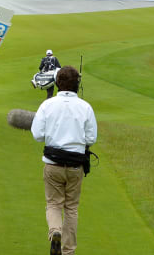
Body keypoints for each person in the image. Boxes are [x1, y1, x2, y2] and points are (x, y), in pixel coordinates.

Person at [31, 66, 97, 255]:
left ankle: (55, 232)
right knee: (71, 208)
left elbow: (37, 134)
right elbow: (91, 139)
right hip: (76, 165)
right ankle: (68, 251)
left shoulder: (47, 105)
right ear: (77, 84)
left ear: (58, 83)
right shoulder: (85, 107)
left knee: (53, 204)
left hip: (53, 164)